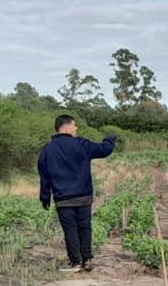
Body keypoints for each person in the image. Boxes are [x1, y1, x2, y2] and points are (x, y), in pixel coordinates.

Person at [38, 114, 115, 272]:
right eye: (74, 125)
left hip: (62, 199)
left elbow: (44, 177)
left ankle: (76, 262)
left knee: (70, 230)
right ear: (66, 127)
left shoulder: (47, 150)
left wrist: (45, 197)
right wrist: (110, 140)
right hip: (83, 196)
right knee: (85, 227)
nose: (76, 128)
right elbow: (104, 150)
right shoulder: (82, 144)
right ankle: (87, 260)